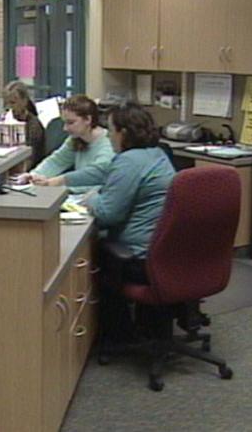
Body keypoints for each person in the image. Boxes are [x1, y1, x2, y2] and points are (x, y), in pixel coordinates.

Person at [86, 102, 176, 344]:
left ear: (123, 133)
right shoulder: (158, 154)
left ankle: (118, 335)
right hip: (165, 251)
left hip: (137, 257)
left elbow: (107, 214)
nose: (108, 135)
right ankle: (145, 326)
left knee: (93, 255)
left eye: (111, 129)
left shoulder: (128, 161)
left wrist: (92, 199)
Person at [14, 94, 115, 194]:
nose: (65, 128)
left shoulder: (108, 145)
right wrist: (34, 176)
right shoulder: (76, 139)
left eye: (71, 123)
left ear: (88, 119)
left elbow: (93, 178)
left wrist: (51, 183)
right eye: (64, 123)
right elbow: (57, 161)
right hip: (75, 196)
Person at [2, 80, 45, 168]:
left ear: (24, 101)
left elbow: (30, 159)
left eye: (13, 103)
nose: (9, 107)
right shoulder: (7, 119)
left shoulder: (34, 125)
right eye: (6, 103)